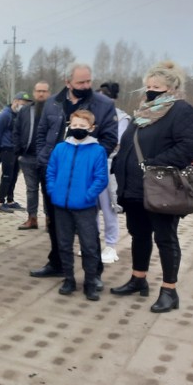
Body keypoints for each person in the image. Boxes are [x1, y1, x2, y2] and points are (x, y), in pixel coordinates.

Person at [111, 61, 193, 313]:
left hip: (160, 187)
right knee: (139, 234)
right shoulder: (144, 111)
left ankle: (169, 291)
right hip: (135, 187)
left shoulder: (181, 111)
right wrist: (119, 163)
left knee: (165, 237)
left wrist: (154, 165)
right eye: (147, 86)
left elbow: (188, 145)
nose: (150, 90)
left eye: (156, 87)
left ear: (171, 88)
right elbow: (130, 143)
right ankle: (139, 278)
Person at [30, 63, 118, 282]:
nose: (86, 85)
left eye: (89, 81)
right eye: (80, 82)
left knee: (88, 229)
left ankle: (94, 272)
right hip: (54, 172)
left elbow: (110, 138)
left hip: (84, 177)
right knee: (55, 221)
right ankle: (58, 263)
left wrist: (90, 162)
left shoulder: (103, 104)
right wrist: (44, 160)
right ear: (67, 81)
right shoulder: (53, 103)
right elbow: (41, 133)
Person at [46, 110, 109, 301]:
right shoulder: (60, 148)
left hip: (85, 207)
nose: (78, 129)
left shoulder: (97, 151)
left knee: (89, 246)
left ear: (91, 128)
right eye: (74, 125)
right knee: (64, 244)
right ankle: (68, 279)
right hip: (61, 205)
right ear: (69, 126)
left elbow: (101, 178)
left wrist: (87, 196)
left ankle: (90, 282)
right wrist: (53, 190)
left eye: (82, 126)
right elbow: (51, 172)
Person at [96, 82, 131, 263]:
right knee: (90, 207)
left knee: (109, 207)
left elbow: (117, 143)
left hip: (109, 167)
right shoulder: (90, 115)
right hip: (91, 167)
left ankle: (110, 246)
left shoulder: (121, 118)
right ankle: (92, 242)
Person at [13, 81, 51, 230]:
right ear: (34, 93)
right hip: (28, 157)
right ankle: (32, 218)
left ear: (48, 93)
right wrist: (18, 152)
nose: (41, 94)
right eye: (38, 91)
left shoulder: (54, 110)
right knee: (31, 189)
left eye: (44, 91)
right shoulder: (25, 111)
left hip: (48, 158)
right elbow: (16, 131)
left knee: (48, 189)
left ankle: (49, 219)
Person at [0, 92, 31, 212]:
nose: (23, 106)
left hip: (16, 149)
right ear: (15, 101)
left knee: (14, 175)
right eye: (22, 103)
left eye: (25, 104)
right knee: (7, 176)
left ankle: (10, 200)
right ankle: (0, 202)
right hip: (7, 149)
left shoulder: (20, 116)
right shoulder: (5, 115)